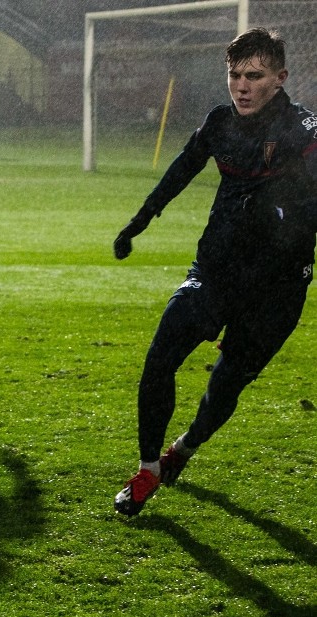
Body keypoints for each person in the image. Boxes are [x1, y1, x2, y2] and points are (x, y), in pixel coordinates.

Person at [113, 28, 316, 516]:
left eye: (254, 75)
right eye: (233, 75)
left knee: (227, 384)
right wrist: (139, 222)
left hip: (278, 286)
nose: (241, 86)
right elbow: (182, 169)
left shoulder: (305, 130)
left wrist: (285, 216)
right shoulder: (220, 122)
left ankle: (182, 450)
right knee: (160, 357)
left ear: (280, 78)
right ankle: (146, 471)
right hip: (216, 271)